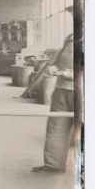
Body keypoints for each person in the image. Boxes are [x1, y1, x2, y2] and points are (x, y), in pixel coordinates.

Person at [33, 24, 76, 174]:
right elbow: (57, 60)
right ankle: (53, 164)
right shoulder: (70, 38)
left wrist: (70, 73)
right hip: (62, 89)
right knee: (56, 127)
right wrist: (53, 67)